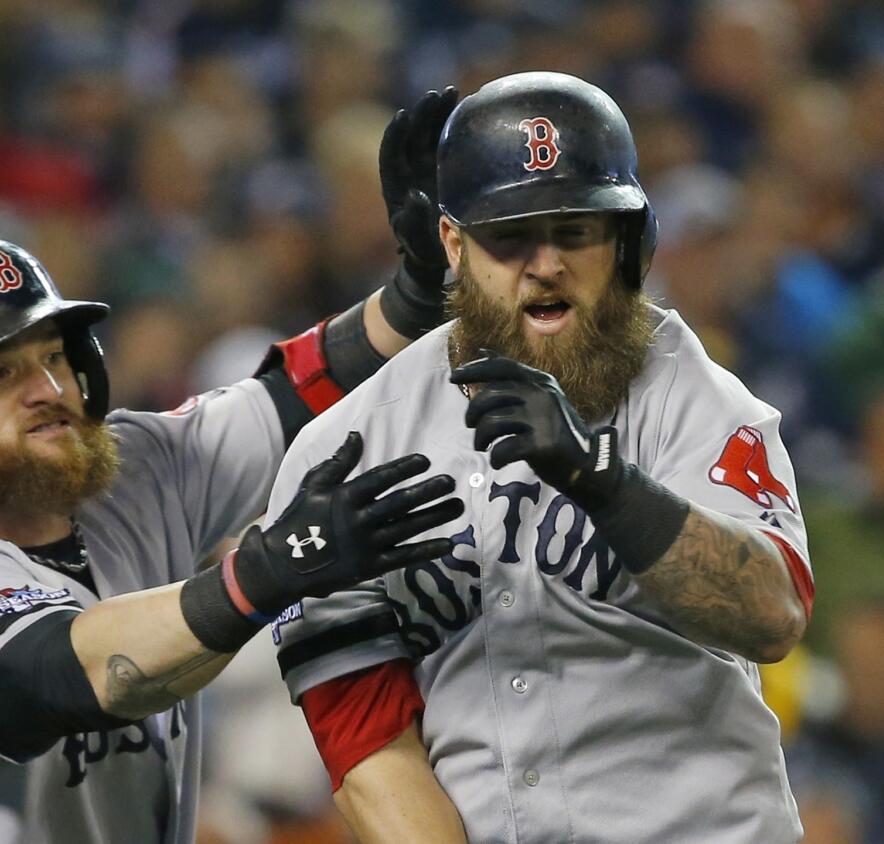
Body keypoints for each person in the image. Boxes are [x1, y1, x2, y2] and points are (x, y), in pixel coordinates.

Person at [269, 72, 815, 843]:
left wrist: (605, 482)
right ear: (453, 245)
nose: (546, 263)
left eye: (575, 230)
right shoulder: (349, 447)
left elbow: (772, 615)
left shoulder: (688, 393)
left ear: (628, 243)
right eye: (510, 235)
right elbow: (367, 744)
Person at [0, 205, 468, 840]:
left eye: (54, 357)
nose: (48, 389)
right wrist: (270, 570)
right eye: (1, 372)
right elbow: (69, 674)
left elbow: (301, 393)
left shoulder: (127, 474)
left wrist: (415, 290)